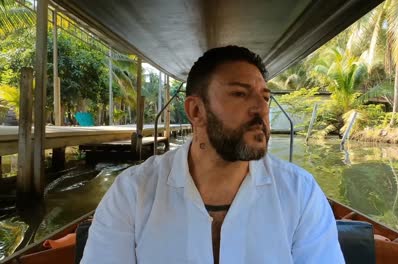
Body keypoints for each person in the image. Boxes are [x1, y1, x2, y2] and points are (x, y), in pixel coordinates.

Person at [81, 46, 344, 264]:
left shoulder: (300, 193)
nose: (260, 109)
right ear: (196, 111)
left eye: (265, 97)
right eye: (240, 94)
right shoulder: (132, 193)